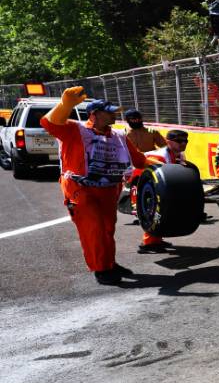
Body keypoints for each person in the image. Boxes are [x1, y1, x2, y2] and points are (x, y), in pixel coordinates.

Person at [40, 88, 148, 284]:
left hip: (108, 189)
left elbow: (139, 160)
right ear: (95, 114)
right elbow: (49, 123)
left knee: (107, 229)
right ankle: (101, 270)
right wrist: (65, 106)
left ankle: (109, 263)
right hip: (80, 189)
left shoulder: (119, 136)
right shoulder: (76, 130)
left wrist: (161, 164)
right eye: (109, 111)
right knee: (94, 229)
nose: (114, 114)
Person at [139, 129, 195, 253]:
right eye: (179, 141)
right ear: (168, 142)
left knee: (165, 211)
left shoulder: (179, 155)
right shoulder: (159, 157)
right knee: (156, 211)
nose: (183, 143)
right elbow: (154, 178)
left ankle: (157, 239)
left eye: (185, 141)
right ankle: (148, 243)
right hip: (141, 183)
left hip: (153, 183)